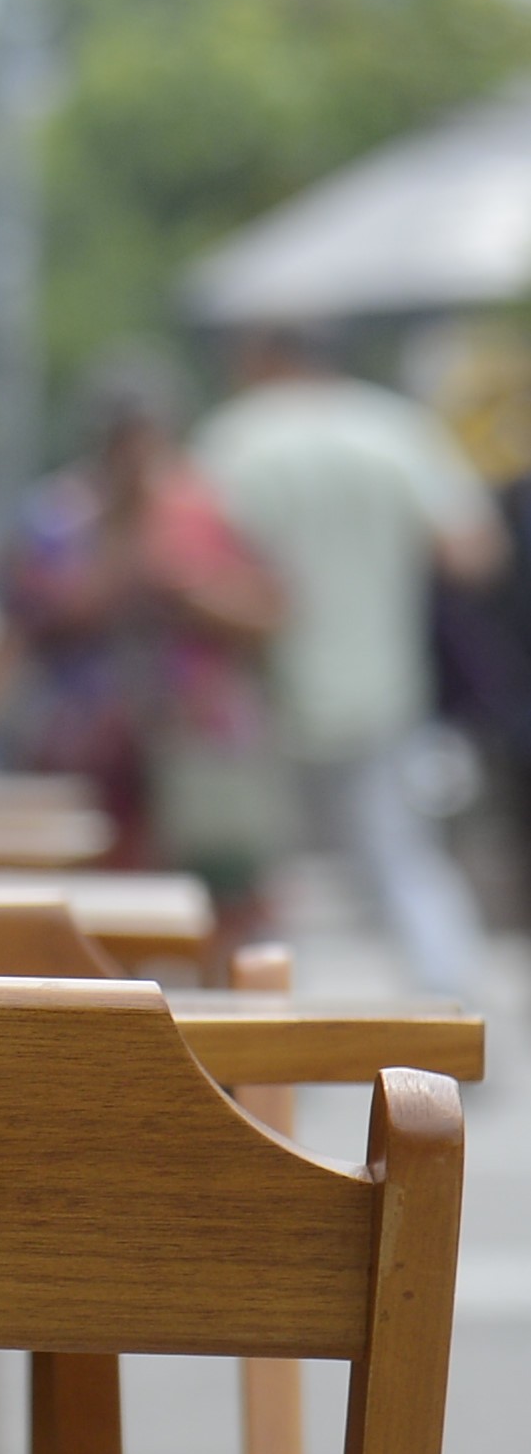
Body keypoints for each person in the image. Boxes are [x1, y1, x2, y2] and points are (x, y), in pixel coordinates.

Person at [193, 321, 509, 1001]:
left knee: (269, 876)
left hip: (268, 692)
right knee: (400, 858)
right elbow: (473, 551)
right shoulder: (396, 430)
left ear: (265, 357)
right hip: (384, 686)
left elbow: (192, 557)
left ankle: (266, 1019)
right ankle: (452, 1005)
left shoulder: (236, 437)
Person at [0, 371, 284, 941]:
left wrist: (188, 595)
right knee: (95, 913)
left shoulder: (208, 509)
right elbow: (25, 621)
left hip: (199, 743)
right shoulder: (59, 516)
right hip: (89, 750)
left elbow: (268, 610)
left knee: (220, 900)